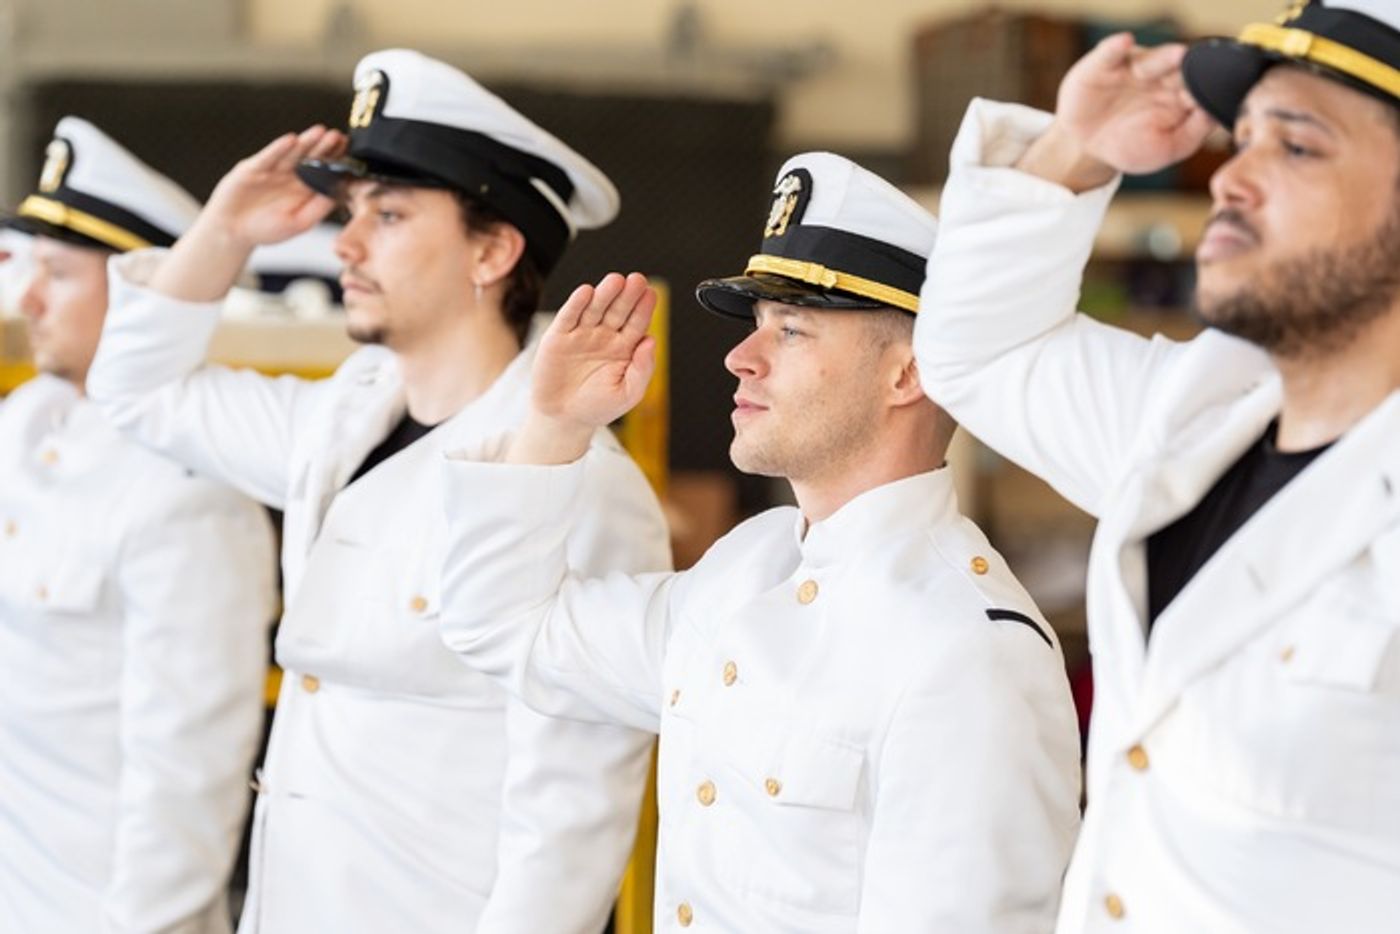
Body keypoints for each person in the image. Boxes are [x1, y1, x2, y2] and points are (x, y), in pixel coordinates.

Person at [86, 50, 670, 934]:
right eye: (351, 212)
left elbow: (572, 820)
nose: (345, 244)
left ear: (494, 250)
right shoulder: (342, 416)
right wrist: (224, 234)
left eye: (389, 214)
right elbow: (137, 392)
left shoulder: (574, 480)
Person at [436, 152, 1082, 932]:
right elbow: (505, 628)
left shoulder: (970, 650)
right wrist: (553, 426)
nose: (741, 356)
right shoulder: (750, 566)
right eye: (756, 325)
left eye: (794, 329)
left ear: (907, 374)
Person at [912, 2, 1400, 931]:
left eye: (1295, 148)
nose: (1232, 178)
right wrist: (1078, 148)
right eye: (1242, 137)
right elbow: (979, 351)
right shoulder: (1199, 415)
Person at [0, 117, 278, 933]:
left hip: (98, 912)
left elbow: (188, 771)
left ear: (139, 295)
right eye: (31, 268)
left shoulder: (189, 487)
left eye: (59, 272)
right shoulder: (27, 425)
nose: (30, 298)